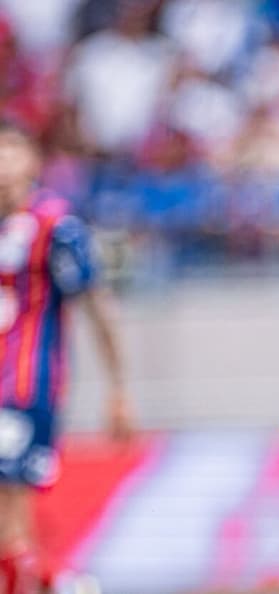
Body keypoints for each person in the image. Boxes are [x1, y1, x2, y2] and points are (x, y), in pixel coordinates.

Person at [0, 122, 134, 594]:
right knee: (11, 534)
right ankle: (66, 584)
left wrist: (118, 389)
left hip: (21, 390)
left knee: (8, 520)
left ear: (33, 163)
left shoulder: (56, 227)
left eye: (11, 151)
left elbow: (97, 308)